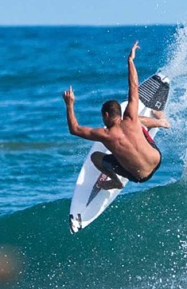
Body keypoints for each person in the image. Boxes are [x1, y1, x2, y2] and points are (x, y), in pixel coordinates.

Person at [63, 41, 170, 188]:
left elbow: (74, 129)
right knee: (137, 122)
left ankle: (115, 182)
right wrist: (130, 60)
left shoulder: (104, 135)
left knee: (96, 157)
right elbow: (133, 86)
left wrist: (69, 104)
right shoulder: (130, 118)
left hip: (141, 176)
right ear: (120, 112)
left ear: (106, 115)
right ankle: (161, 122)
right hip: (157, 159)